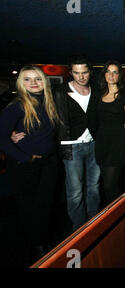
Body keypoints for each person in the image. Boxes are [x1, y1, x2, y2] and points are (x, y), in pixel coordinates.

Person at [0, 66, 60, 264]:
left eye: (38, 79)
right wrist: (26, 157)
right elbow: (1, 139)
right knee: (30, 207)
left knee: (46, 204)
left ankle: (42, 240)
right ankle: (36, 246)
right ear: (20, 83)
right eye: (27, 79)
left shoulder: (49, 103)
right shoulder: (17, 105)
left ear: (45, 82)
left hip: (49, 162)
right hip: (26, 164)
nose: (33, 83)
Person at [52, 55, 101, 231]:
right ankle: (79, 229)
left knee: (94, 187)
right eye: (76, 73)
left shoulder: (96, 89)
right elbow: (49, 116)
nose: (81, 76)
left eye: (85, 72)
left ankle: (94, 222)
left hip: (94, 143)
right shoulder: (60, 91)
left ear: (90, 72)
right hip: (71, 145)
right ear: (70, 72)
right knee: (75, 192)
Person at [94, 60, 125, 205]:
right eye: (108, 72)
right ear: (104, 74)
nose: (111, 75)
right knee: (106, 184)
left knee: (109, 185)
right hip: (101, 143)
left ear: (119, 76)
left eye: (115, 72)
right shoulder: (98, 94)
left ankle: (117, 214)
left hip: (117, 143)